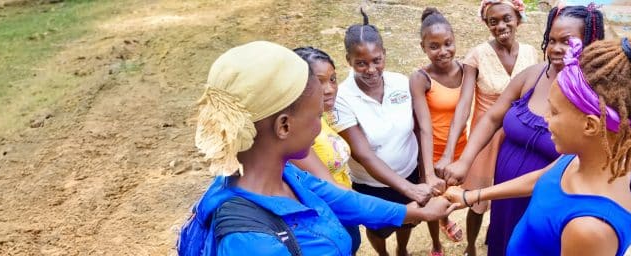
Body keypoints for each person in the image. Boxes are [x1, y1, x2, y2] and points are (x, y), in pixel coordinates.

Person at [177, 41, 457, 256]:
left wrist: (416, 213)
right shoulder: (252, 244)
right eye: (316, 117)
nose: (320, 127)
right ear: (284, 126)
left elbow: (342, 201)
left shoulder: (281, 174)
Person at [445, 36, 631, 256]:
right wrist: (471, 196)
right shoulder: (589, 158)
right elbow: (542, 178)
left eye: (555, 111)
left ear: (590, 126)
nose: (544, 118)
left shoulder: (590, 229)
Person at [443, 5, 606, 256]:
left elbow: (549, 176)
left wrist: (473, 195)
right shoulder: (533, 75)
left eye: (567, 41)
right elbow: (492, 117)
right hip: (505, 198)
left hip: (543, 203)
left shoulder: (595, 98)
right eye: (551, 40)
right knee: (500, 244)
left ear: (590, 42)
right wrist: (464, 161)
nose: (556, 48)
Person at [333, 9, 440, 256]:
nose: (371, 69)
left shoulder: (401, 83)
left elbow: (419, 128)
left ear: (384, 55)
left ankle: (402, 249)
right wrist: (409, 189)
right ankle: (384, 254)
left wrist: (425, 174)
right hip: (372, 184)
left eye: (376, 60)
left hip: (410, 171)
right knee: (379, 228)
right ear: (348, 60)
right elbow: (363, 154)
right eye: (361, 63)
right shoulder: (342, 98)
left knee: (409, 219)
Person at [439, 1, 536, 255]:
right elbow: (464, 104)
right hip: (486, 138)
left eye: (506, 19)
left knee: (509, 194)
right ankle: (471, 246)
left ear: (519, 18)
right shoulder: (477, 55)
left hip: (518, 137)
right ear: (486, 24)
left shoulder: (530, 53)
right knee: (477, 200)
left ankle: (498, 237)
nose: (501, 26)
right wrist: (450, 153)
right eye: (493, 22)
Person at [408, 7, 470, 256]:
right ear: (423, 47)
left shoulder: (467, 70)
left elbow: (462, 113)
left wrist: (454, 155)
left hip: (459, 147)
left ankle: (446, 219)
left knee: (453, 195)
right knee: (434, 199)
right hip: (430, 151)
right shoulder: (420, 78)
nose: (443, 51)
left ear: (455, 40)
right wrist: (430, 170)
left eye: (448, 43)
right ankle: (436, 241)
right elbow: (424, 126)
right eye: (434, 46)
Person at [288, 46, 361, 253]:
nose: (329, 88)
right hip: (324, 221)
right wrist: (403, 208)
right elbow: (330, 187)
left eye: (333, 79)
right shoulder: (297, 133)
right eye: (319, 81)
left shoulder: (321, 117)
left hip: (342, 214)